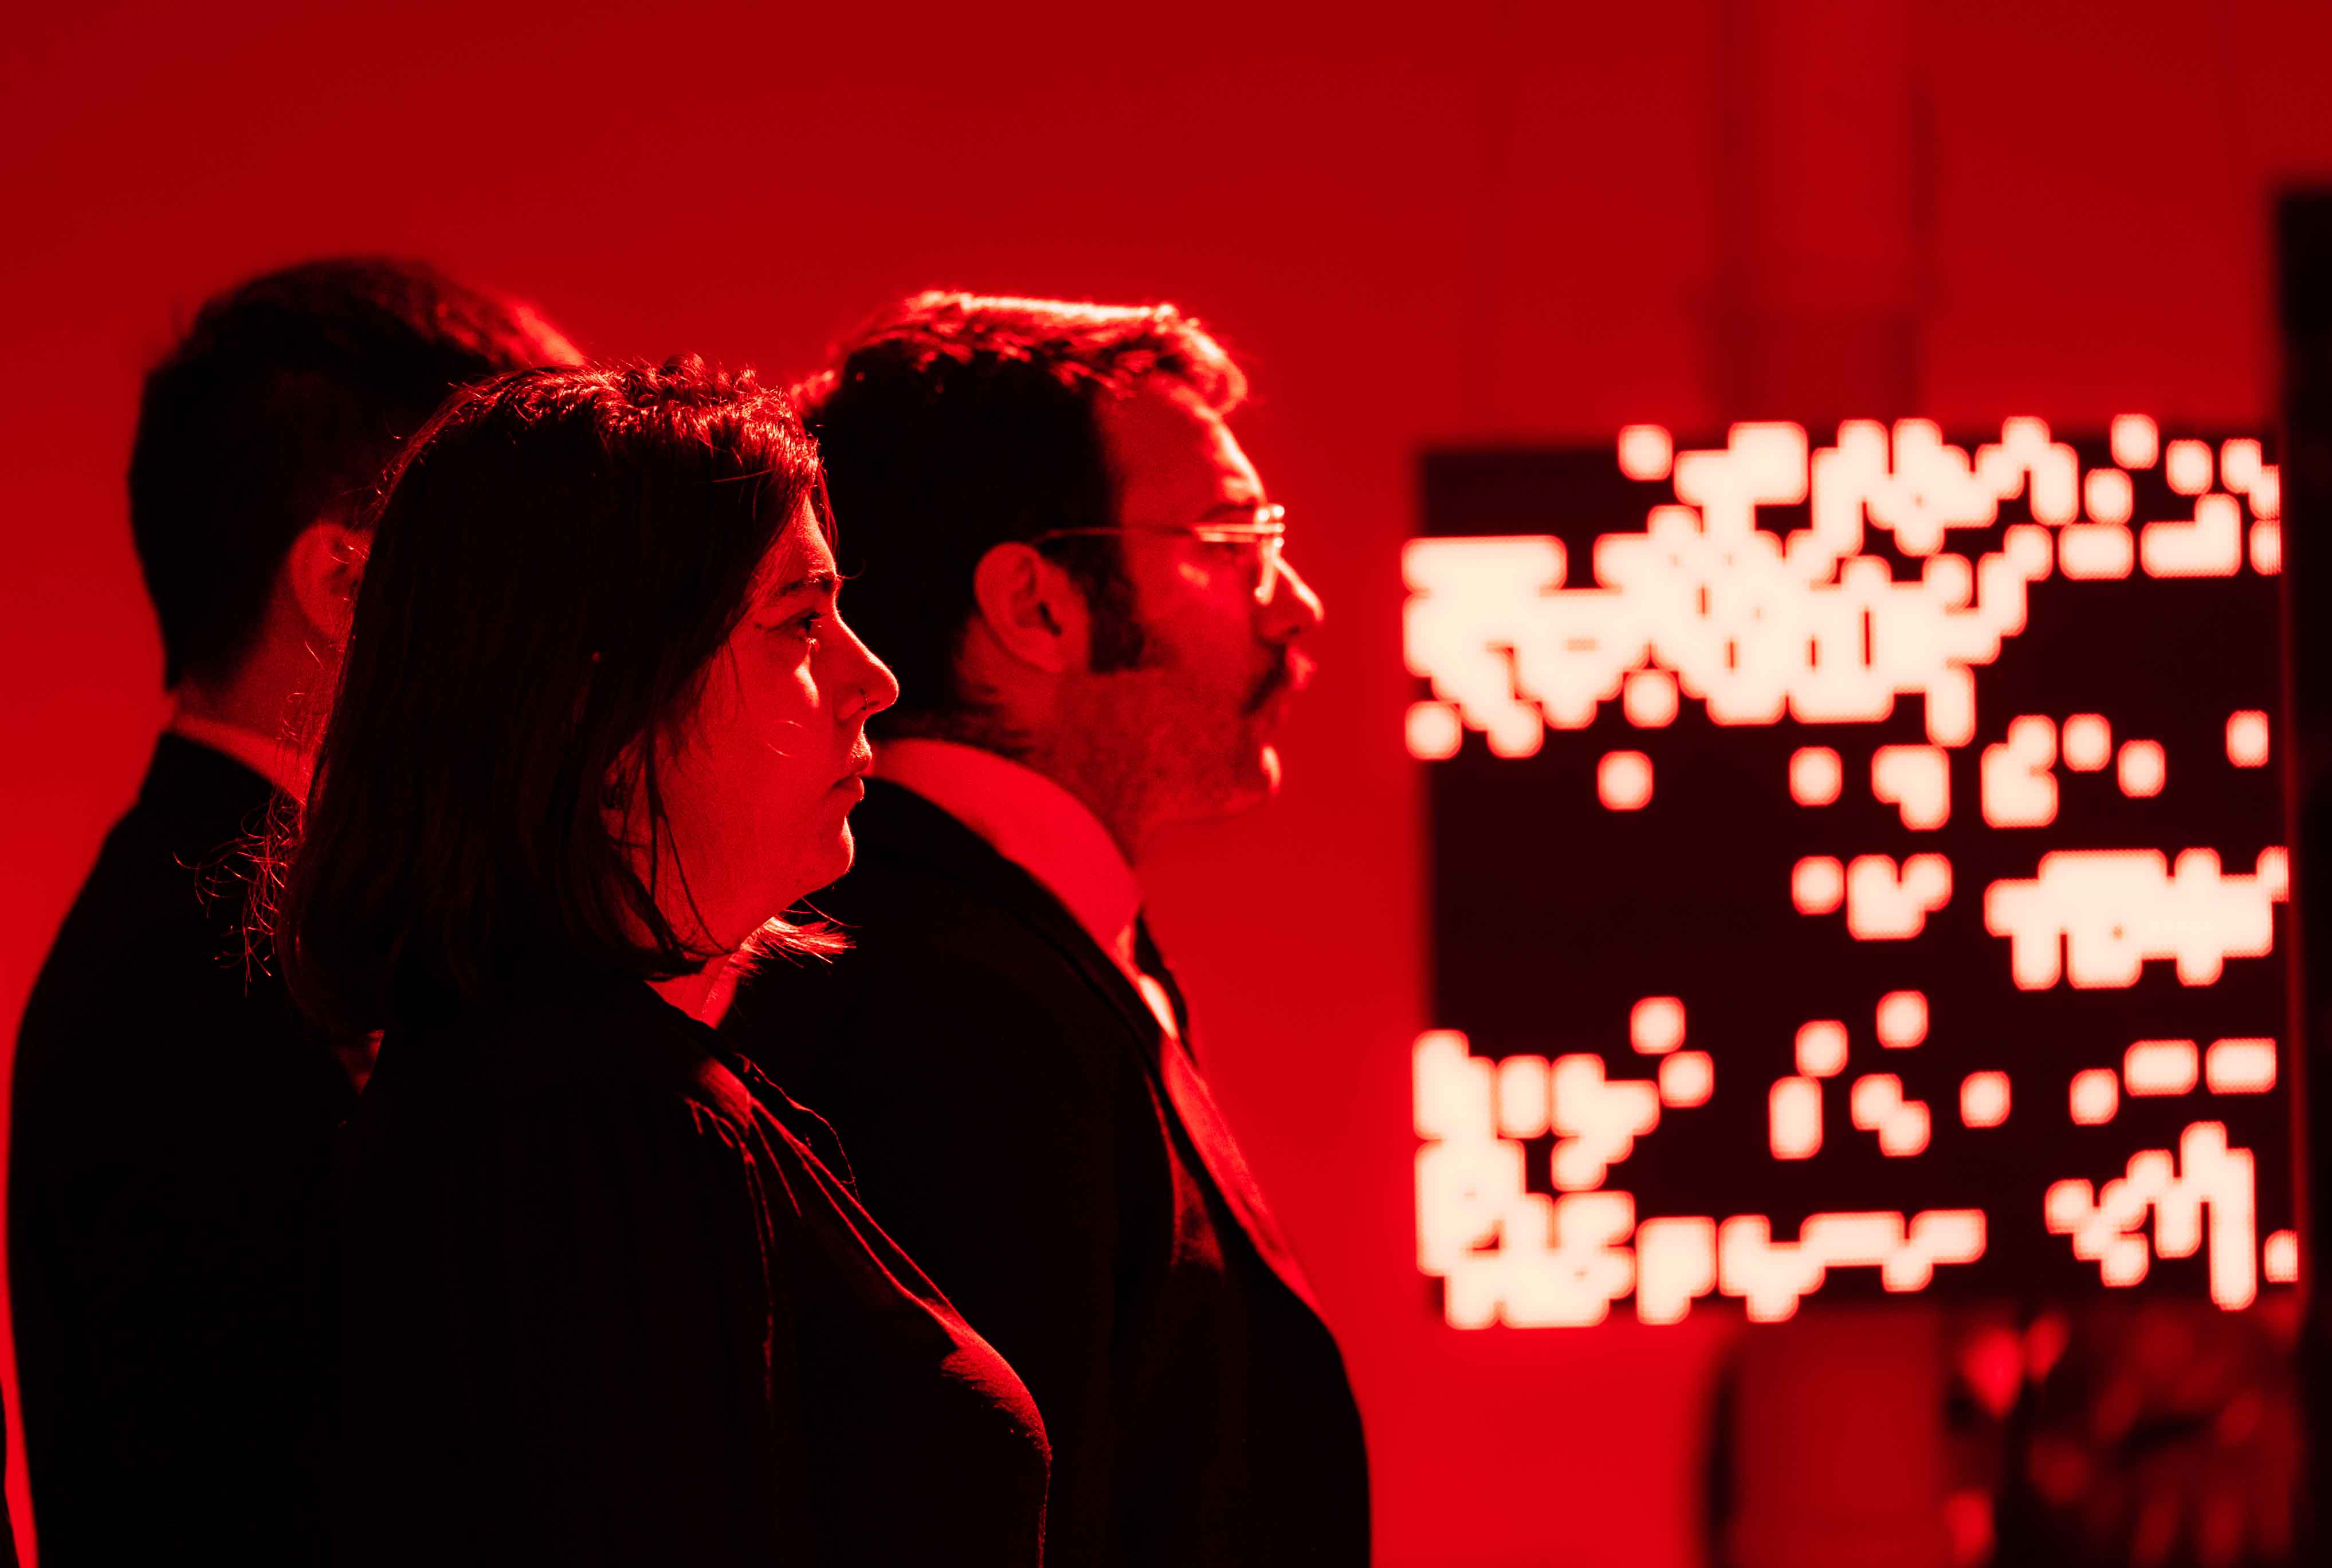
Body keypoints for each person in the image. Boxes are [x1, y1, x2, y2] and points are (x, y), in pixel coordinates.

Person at [280, 357, 1047, 1564]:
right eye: (799, 620)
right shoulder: (589, 1131)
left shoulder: (562, 1096)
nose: (875, 679)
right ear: (603, 710)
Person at [721, 292, 1367, 1566]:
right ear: (1038, 606)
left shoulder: (1020, 947)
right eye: (1233, 540)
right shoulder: (944, 1009)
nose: (1294, 607)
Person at [10, 258, 577, 1566]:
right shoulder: (218, 963)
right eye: (539, 577)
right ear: (345, 589)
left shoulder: (219, 922)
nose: (585, 643)